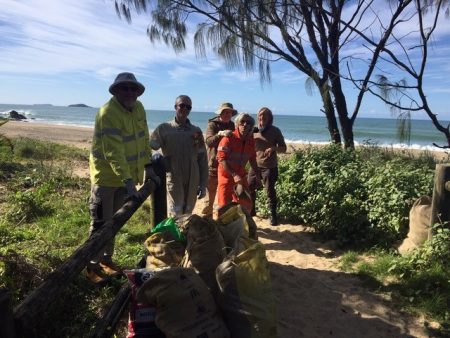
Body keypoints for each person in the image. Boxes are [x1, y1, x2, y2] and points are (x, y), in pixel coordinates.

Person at [88, 72, 159, 284]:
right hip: (105, 179)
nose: (129, 92)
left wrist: (148, 167)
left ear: (138, 92)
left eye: (133, 89)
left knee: (115, 222)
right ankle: (91, 266)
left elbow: (143, 139)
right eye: (124, 88)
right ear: (116, 90)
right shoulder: (108, 112)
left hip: (125, 179)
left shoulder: (139, 108)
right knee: (100, 223)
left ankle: (107, 260)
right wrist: (128, 182)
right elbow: (113, 152)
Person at [150, 95, 208, 216]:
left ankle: (185, 234)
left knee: (188, 210)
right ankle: (175, 235)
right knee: (176, 211)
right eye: (182, 105)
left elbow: (202, 159)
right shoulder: (164, 128)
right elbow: (150, 146)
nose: (185, 109)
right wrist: (156, 156)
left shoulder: (195, 131)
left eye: (188, 107)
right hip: (174, 175)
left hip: (193, 176)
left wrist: (203, 184)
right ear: (175, 107)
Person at [248, 107, 287, 225]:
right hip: (255, 164)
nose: (262, 117)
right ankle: (252, 210)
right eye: (260, 115)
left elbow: (284, 148)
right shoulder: (253, 130)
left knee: (270, 191)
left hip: (269, 166)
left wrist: (273, 148)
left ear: (270, 118)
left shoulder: (275, 131)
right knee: (249, 187)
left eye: (265, 115)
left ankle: (273, 215)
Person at [217, 112, 261, 214]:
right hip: (226, 176)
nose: (245, 124)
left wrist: (258, 175)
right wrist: (234, 174)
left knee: (246, 204)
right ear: (237, 124)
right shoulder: (228, 138)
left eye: (248, 122)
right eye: (242, 122)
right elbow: (221, 159)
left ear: (251, 125)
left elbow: (253, 159)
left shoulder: (251, 141)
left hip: (241, 175)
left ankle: (241, 226)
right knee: (224, 206)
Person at [202, 102, 237, 217]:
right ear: (220, 113)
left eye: (229, 112)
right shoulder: (212, 125)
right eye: (225, 112)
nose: (227, 114)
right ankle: (208, 222)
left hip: (227, 167)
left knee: (225, 198)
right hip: (213, 165)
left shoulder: (233, 125)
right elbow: (208, 141)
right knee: (209, 199)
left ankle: (223, 223)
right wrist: (220, 134)